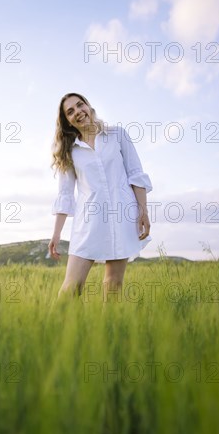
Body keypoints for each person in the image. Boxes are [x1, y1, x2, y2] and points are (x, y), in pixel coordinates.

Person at [48, 92, 153, 302]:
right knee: (71, 288)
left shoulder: (117, 135)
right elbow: (65, 194)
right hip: (88, 222)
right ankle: (51, 333)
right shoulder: (69, 151)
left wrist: (143, 211)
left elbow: (135, 174)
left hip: (122, 217)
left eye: (80, 105)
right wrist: (56, 234)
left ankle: (105, 334)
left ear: (88, 106)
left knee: (113, 285)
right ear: (67, 121)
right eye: (70, 111)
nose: (78, 112)